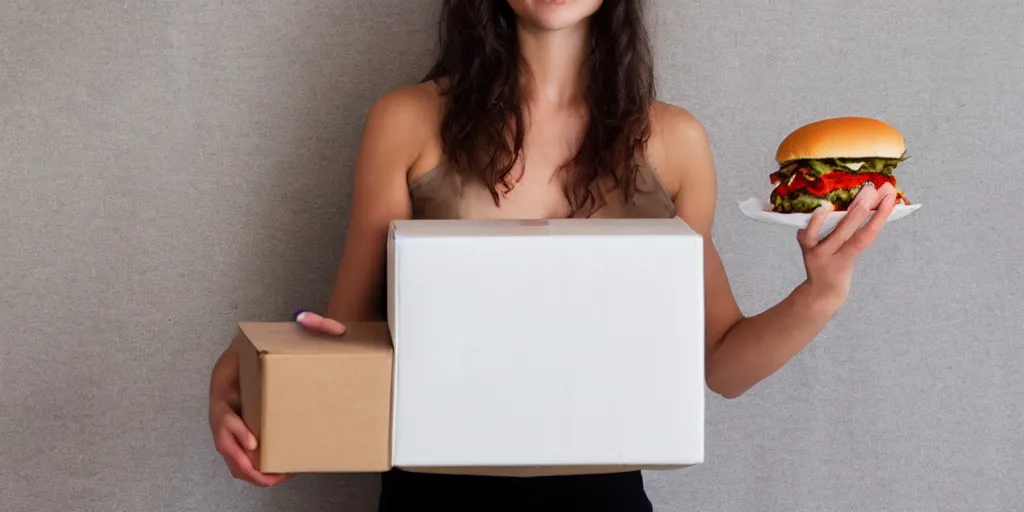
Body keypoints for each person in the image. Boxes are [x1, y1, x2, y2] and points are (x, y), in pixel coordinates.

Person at [208, 0, 899, 509]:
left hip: (604, 501)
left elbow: (721, 366)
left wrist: (823, 293)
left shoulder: (674, 141)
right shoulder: (408, 120)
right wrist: (248, 371)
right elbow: (342, 337)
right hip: (431, 500)